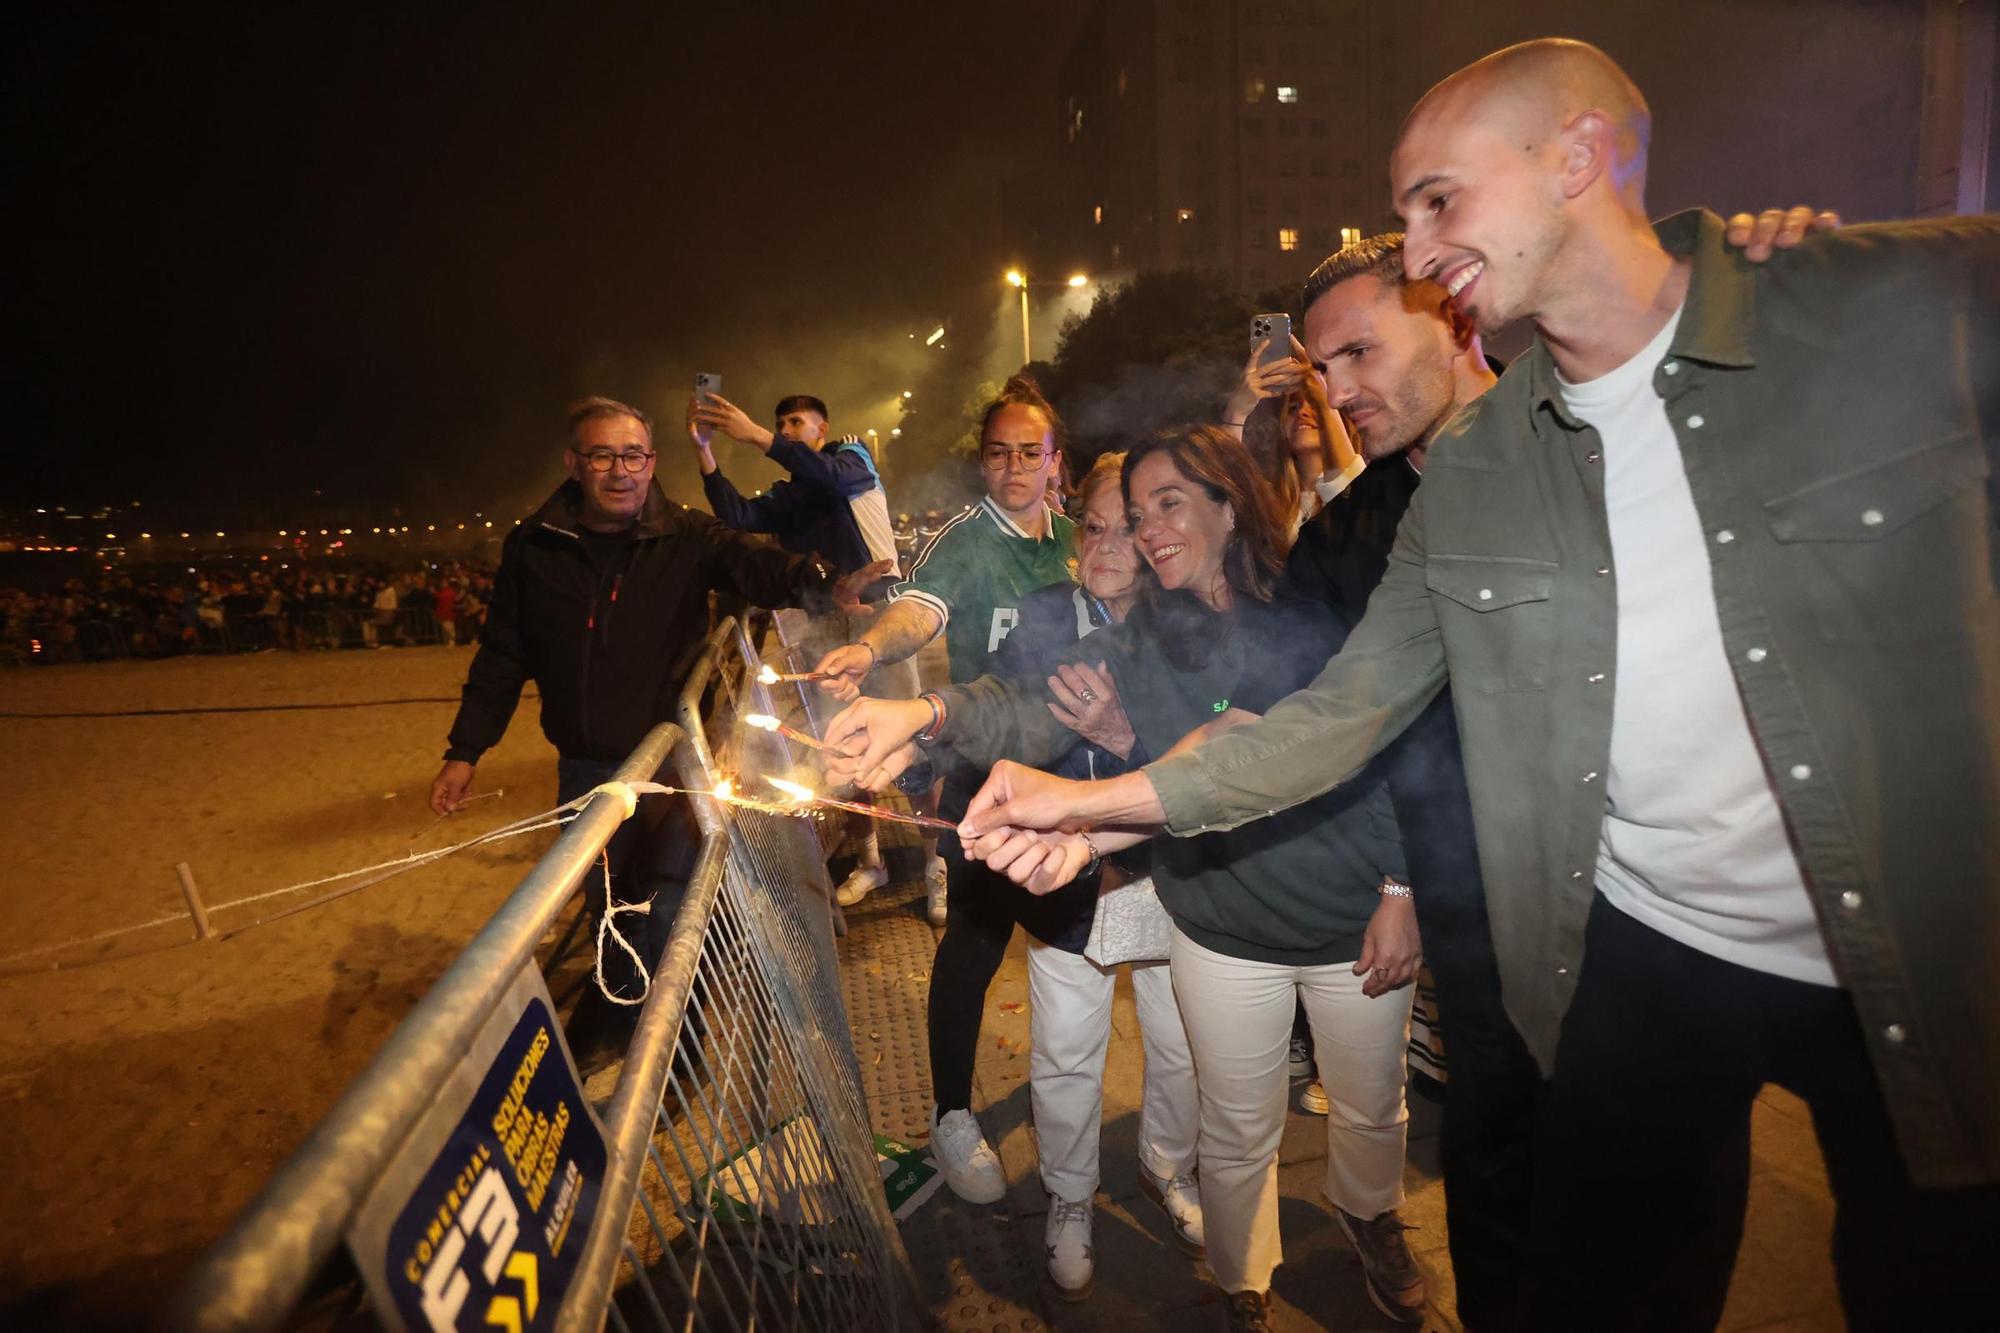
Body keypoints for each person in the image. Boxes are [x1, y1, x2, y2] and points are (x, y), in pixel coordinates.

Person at [954, 39, 2000, 1332]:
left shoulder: (1885, 297)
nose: (1415, 243)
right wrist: (1086, 807)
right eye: (1403, 214)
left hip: (1926, 962)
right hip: (1635, 963)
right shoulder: (1484, 469)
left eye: (1438, 201)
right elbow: (1333, 718)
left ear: (1578, 158)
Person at [832, 427, 1426, 1330]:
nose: (1144, 532)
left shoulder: (1310, 601)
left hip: (1349, 911)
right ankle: (1243, 1279)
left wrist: (1399, 887)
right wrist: (926, 708)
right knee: (1233, 1123)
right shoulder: (1146, 633)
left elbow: (1347, 745)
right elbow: (1029, 699)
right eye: (1130, 516)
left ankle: (1370, 1212)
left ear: (1230, 504)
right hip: (1217, 917)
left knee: (1373, 1103)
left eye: (1167, 506)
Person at [828, 455, 1204, 1301]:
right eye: (1096, 526)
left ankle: (1165, 1167)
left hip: (1161, 870)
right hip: (1061, 875)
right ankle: (1068, 1198)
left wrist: (1122, 735)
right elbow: (1007, 701)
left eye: (1128, 529)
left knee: (1177, 1040)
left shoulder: (1189, 628)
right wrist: (925, 727)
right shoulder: (1043, 616)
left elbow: (1218, 750)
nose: (1109, 545)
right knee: (1067, 1049)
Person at [431, 396, 865, 1061]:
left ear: (652, 461)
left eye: (633, 455)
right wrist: (465, 750)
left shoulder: (687, 536)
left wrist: (822, 581)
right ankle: (623, 1017)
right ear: (574, 463)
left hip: (673, 763)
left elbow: (756, 563)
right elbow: (502, 653)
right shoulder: (535, 545)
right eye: (603, 455)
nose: (620, 471)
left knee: (668, 908)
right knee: (606, 900)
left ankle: (676, 1050)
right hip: (586, 768)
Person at [812, 374, 1077, 1201]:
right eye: (998, 453)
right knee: (973, 939)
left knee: (1073, 947)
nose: (1014, 467)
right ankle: (953, 1112)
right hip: (977, 768)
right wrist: (872, 651)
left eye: (1030, 452)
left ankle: (1070, 1114)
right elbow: (919, 612)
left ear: (1054, 459)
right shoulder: (966, 541)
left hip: (1072, 776)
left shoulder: (1080, 539)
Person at [689, 389, 906, 908]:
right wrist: (704, 450)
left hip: (884, 619)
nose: (786, 431)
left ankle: (939, 864)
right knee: (846, 746)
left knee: (911, 739)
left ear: (821, 432)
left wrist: (758, 436)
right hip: (827, 626)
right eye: (779, 423)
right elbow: (738, 517)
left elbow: (828, 478)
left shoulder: (850, 458)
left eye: (796, 423)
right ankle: (871, 862)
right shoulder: (789, 496)